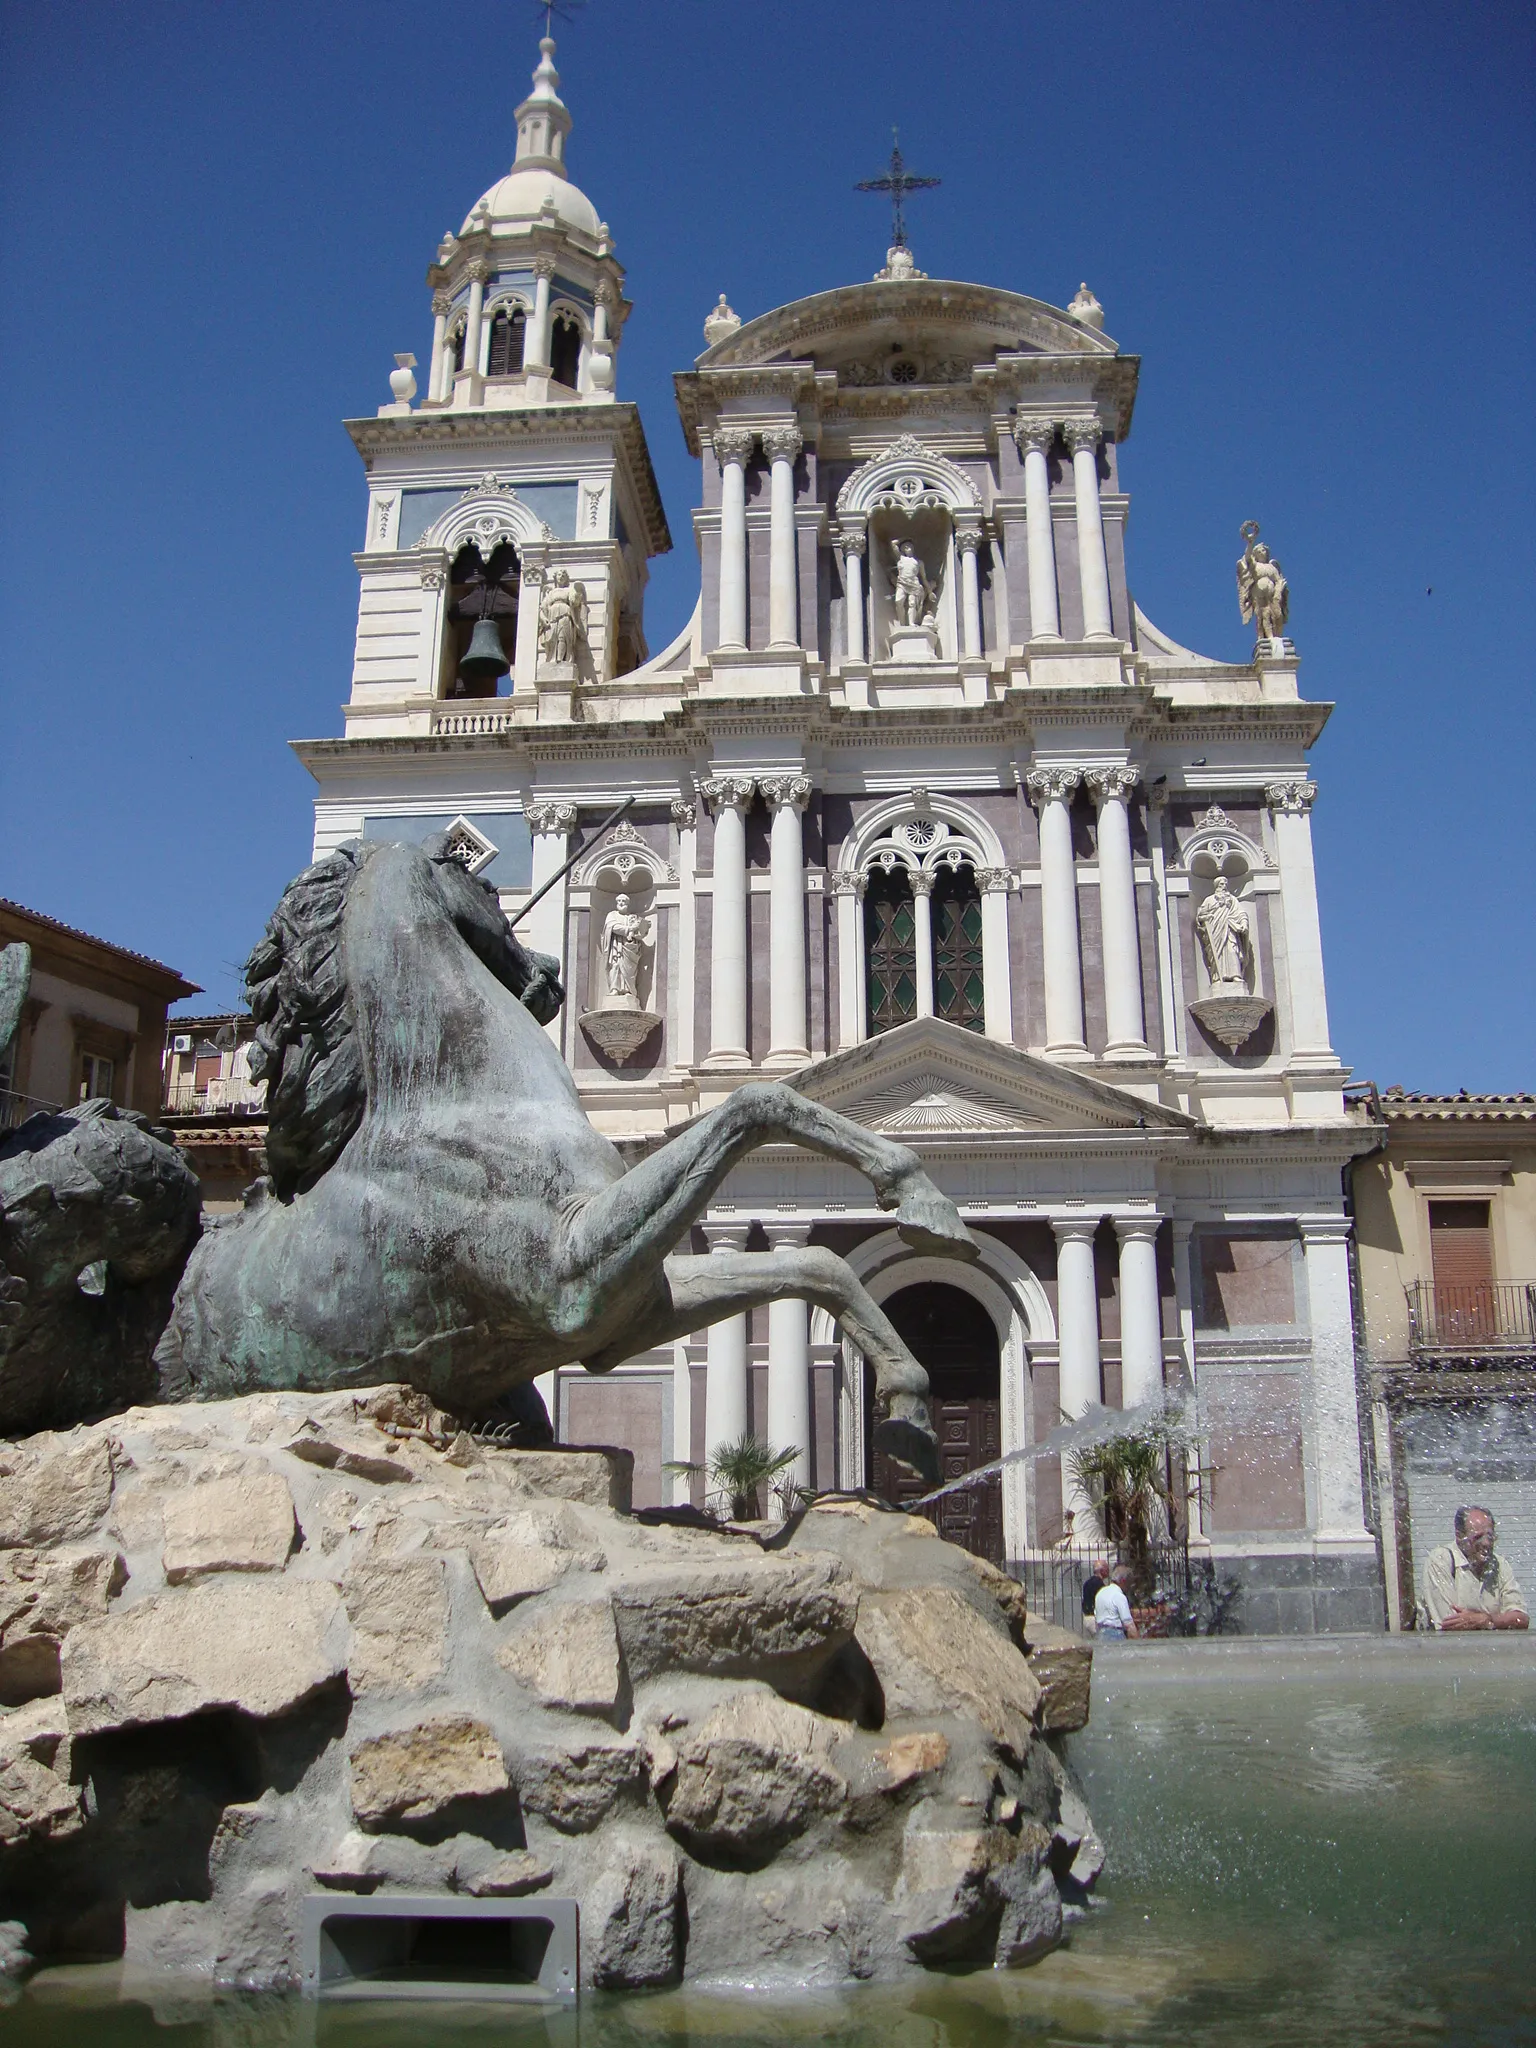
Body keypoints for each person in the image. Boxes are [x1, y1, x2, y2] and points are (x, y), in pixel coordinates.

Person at [1422, 1507, 1528, 1631]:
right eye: (1477, 1537)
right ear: (1459, 1536)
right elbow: (1450, 1626)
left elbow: (1521, 1619)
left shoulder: (1500, 1564)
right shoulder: (1441, 1560)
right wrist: (1499, 1620)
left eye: (1490, 1536)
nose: (1486, 1543)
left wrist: (1487, 1620)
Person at [1093, 1564, 1140, 1641]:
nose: (1129, 1587)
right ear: (1123, 1581)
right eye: (1129, 1583)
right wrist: (1140, 1644)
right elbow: (1129, 1624)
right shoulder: (1119, 1596)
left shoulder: (1100, 1592)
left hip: (1100, 1634)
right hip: (1115, 1635)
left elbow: (1096, 1618)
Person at [1081, 1555, 1110, 1633]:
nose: (1108, 1570)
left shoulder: (1087, 1582)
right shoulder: (1099, 1584)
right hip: (1095, 1618)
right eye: (1106, 1568)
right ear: (1101, 1570)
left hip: (1087, 1617)